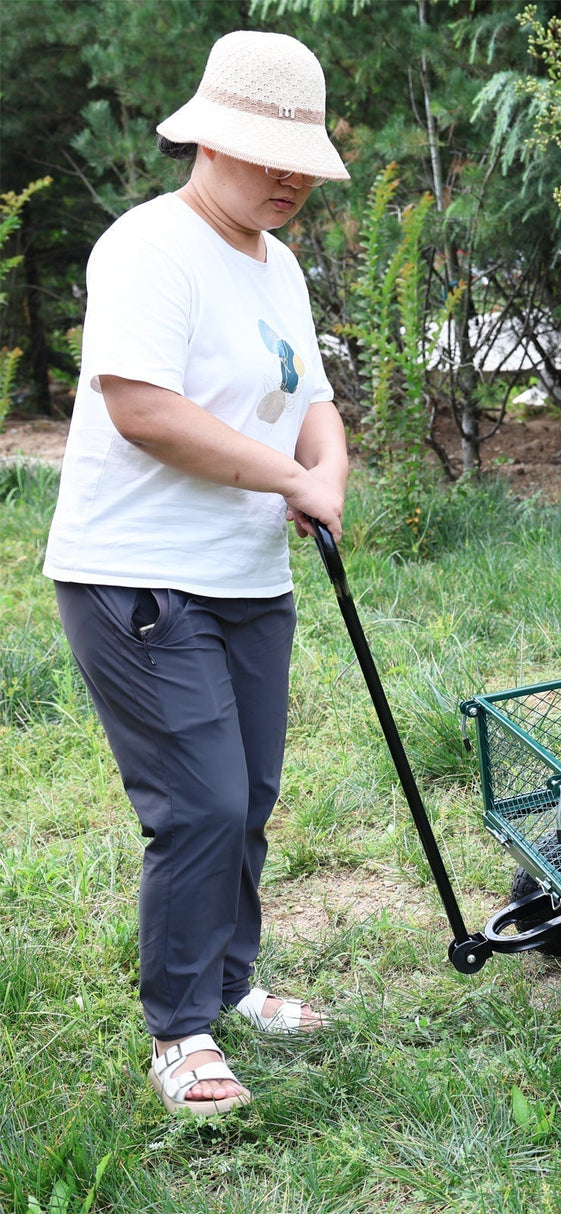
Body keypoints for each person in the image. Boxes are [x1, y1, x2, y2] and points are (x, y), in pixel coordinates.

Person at [43, 30, 351, 1116]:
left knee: (249, 796)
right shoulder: (148, 247)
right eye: (271, 156)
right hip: (139, 573)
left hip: (247, 574)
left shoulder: (280, 264)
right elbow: (143, 409)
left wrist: (326, 472)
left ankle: (229, 984)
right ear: (209, 140)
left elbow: (313, 396)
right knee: (201, 802)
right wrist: (288, 475)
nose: (291, 180)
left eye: (304, 163)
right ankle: (180, 1028)